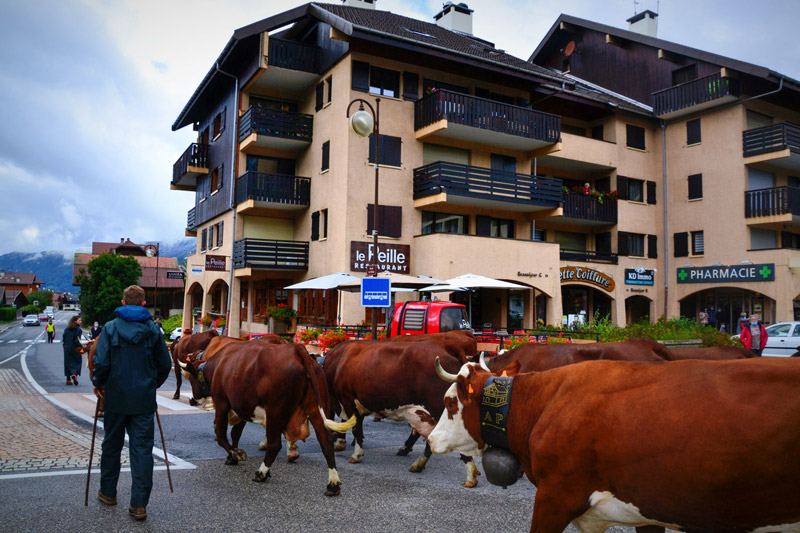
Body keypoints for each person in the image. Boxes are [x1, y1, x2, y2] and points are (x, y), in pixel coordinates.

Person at [93, 285, 171, 521]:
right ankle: (139, 505)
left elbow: (102, 362)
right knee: (142, 451)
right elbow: (165, 365)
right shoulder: (153, 330)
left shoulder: (109, 328)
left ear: (123, 302)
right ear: (144, 303)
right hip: (143, 401)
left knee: (111, 446)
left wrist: (99, 383)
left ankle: (108, 493)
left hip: (115, 399)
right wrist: (151, 385)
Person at [62, 315, 83, 385]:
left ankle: (68, 379)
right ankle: (74, 374)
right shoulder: (78, 330)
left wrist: (64, 347)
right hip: (75, 348)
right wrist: (82, 349)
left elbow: (64, 339)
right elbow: (78, 340)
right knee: (77, 361)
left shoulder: (67, 329)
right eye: (79, 320)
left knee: (67, 363)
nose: (81, 321)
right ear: (75, 321)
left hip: (67, 348)